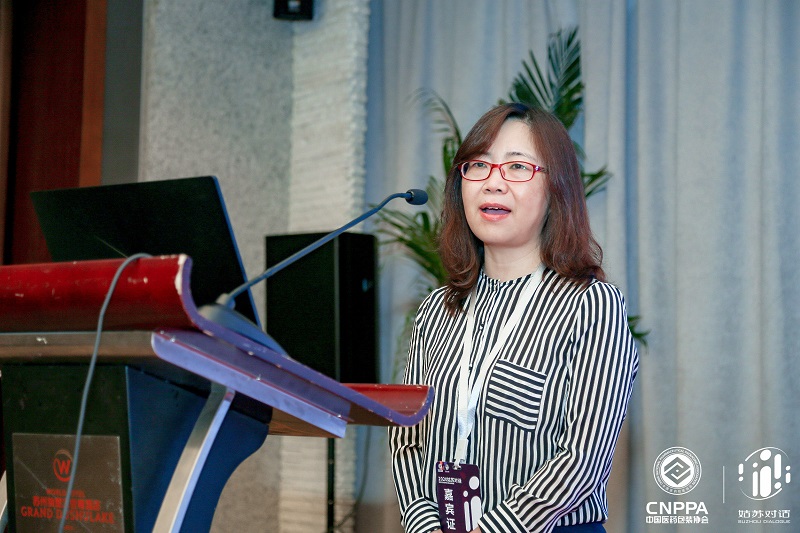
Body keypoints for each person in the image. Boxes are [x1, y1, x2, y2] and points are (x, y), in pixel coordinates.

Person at [389, 103, 639, 533]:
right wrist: (423, 524)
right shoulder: (435, 311)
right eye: (478, 166)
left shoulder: (591, 305)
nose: (493, 183)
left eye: (518, 167)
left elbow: (583, 459)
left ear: (556, 189)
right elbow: (408, 437)